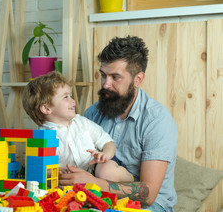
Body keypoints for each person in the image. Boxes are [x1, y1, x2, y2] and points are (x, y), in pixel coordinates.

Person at [58, 36, 178, 212]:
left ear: (138, 79)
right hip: (100, 198)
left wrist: (93, 183)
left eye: (115, 77)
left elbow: (149, 194)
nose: (106, 84)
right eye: (103, 75)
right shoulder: (93, 113)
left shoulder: (157, 120)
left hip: (151, 206)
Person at [22, 71, 133, 183]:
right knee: (60, 182)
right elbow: (39, 169)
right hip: (73, 179)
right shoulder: (41, 138)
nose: (73, 100)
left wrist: (105, 155)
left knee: (106, 171)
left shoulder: (82, 123)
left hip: (96, 169)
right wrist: (61, 171)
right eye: (66, 97)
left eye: (71, 96)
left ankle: (130, 180)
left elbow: (108, 142)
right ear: (46, 109)